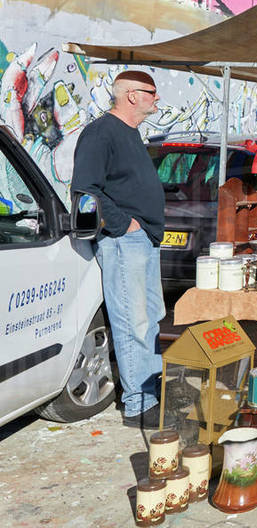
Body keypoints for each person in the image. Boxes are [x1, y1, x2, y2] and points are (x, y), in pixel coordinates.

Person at [71, 70, 166, 428]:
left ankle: (150, 391)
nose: (157, 99)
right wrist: (125, 224)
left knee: (150, 318)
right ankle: (139, 404)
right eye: (151, 93)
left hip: (143, 240)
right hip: (124, 242)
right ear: (130, 95)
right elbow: (84, 192)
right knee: (133, 322)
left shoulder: (130, 133)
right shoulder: (101, 133)